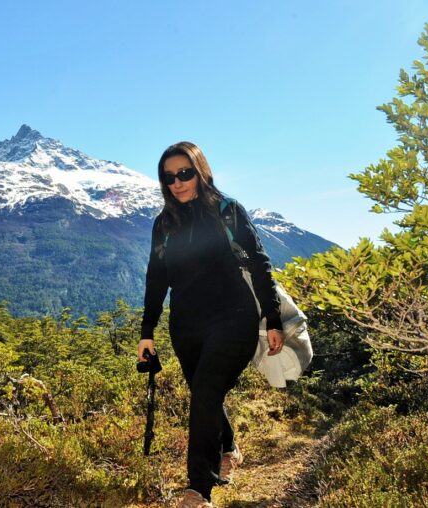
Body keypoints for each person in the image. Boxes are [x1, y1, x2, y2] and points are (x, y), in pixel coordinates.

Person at [137, 141, 285, 508]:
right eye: (168, 177)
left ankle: (198, 489)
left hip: (233, 317)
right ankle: (229, 447)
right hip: (185, 324)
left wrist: (273, 317)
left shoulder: (228, 212)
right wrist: (147, 332)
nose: (177, 182)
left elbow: (259, 263)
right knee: (205, 394)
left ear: (201, 171)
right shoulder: (164, 224)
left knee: (205, 390)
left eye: (185, 173)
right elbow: (156, 279)